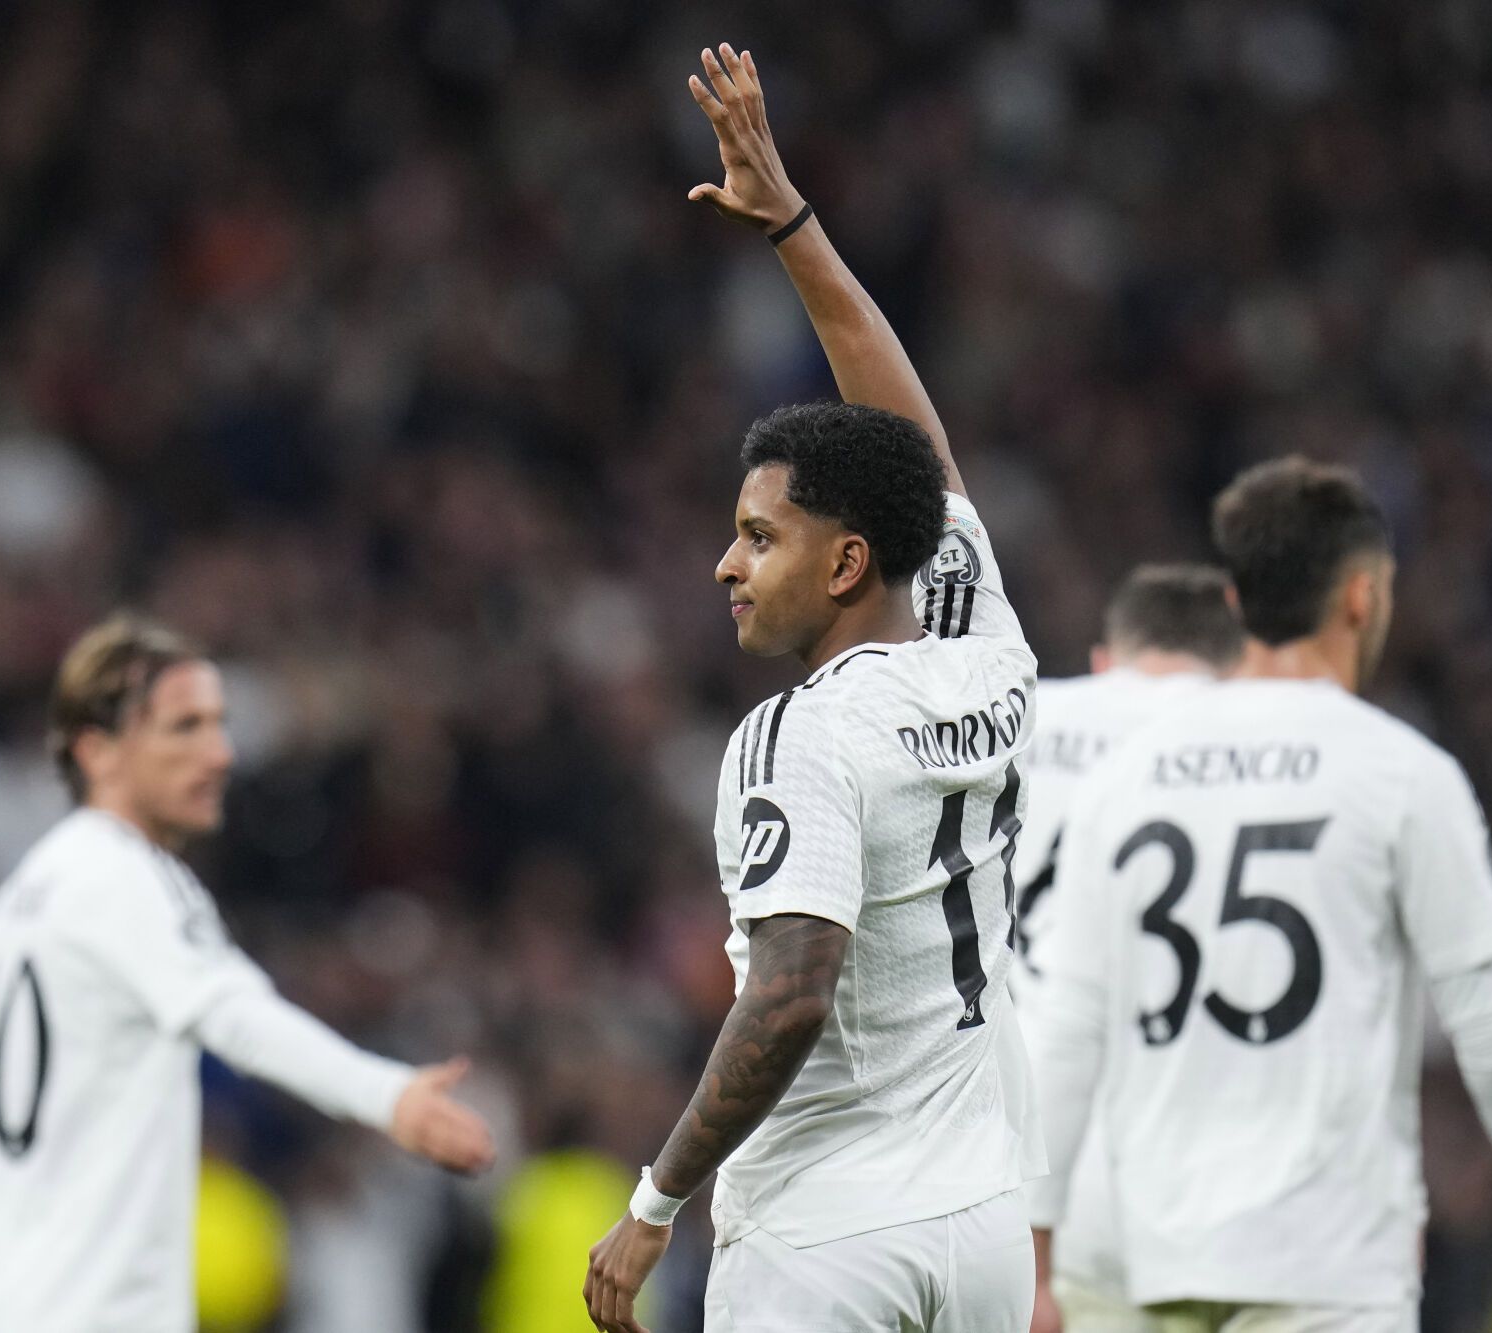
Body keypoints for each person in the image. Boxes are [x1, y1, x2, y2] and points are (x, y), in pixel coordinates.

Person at [585, 44, 1042, 1333]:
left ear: (846, 562)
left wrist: (656, 1201)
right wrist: (789, 223)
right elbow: (914, 447)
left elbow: (791, 987)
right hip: (981, 1226)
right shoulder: (983, 646)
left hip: (828, 1240)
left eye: (757, 536)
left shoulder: (798, 736)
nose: (724, 561)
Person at [1024, 457, 1492, 1333]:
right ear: (1362, 598)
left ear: (1234, 606)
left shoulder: (1126, 778)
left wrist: (1038, 1255)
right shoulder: (1403, 774)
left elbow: (1067, 1034)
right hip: (1330, 1264)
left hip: (1153, 1257)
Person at [0, 616, 495, 1333]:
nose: (219, 753)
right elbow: (230, 1009)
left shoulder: (31, 888)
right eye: (184, 728)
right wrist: (384, 1093)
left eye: (218, 725)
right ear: (98, 751)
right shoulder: (129, 880)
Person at [1010, 565, 1242, 1333]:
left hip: (1018, 1184)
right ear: (1236, 663)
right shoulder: (1260, 744)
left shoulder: (1013, 723)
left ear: (1106, 660)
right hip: (1219, 1186)